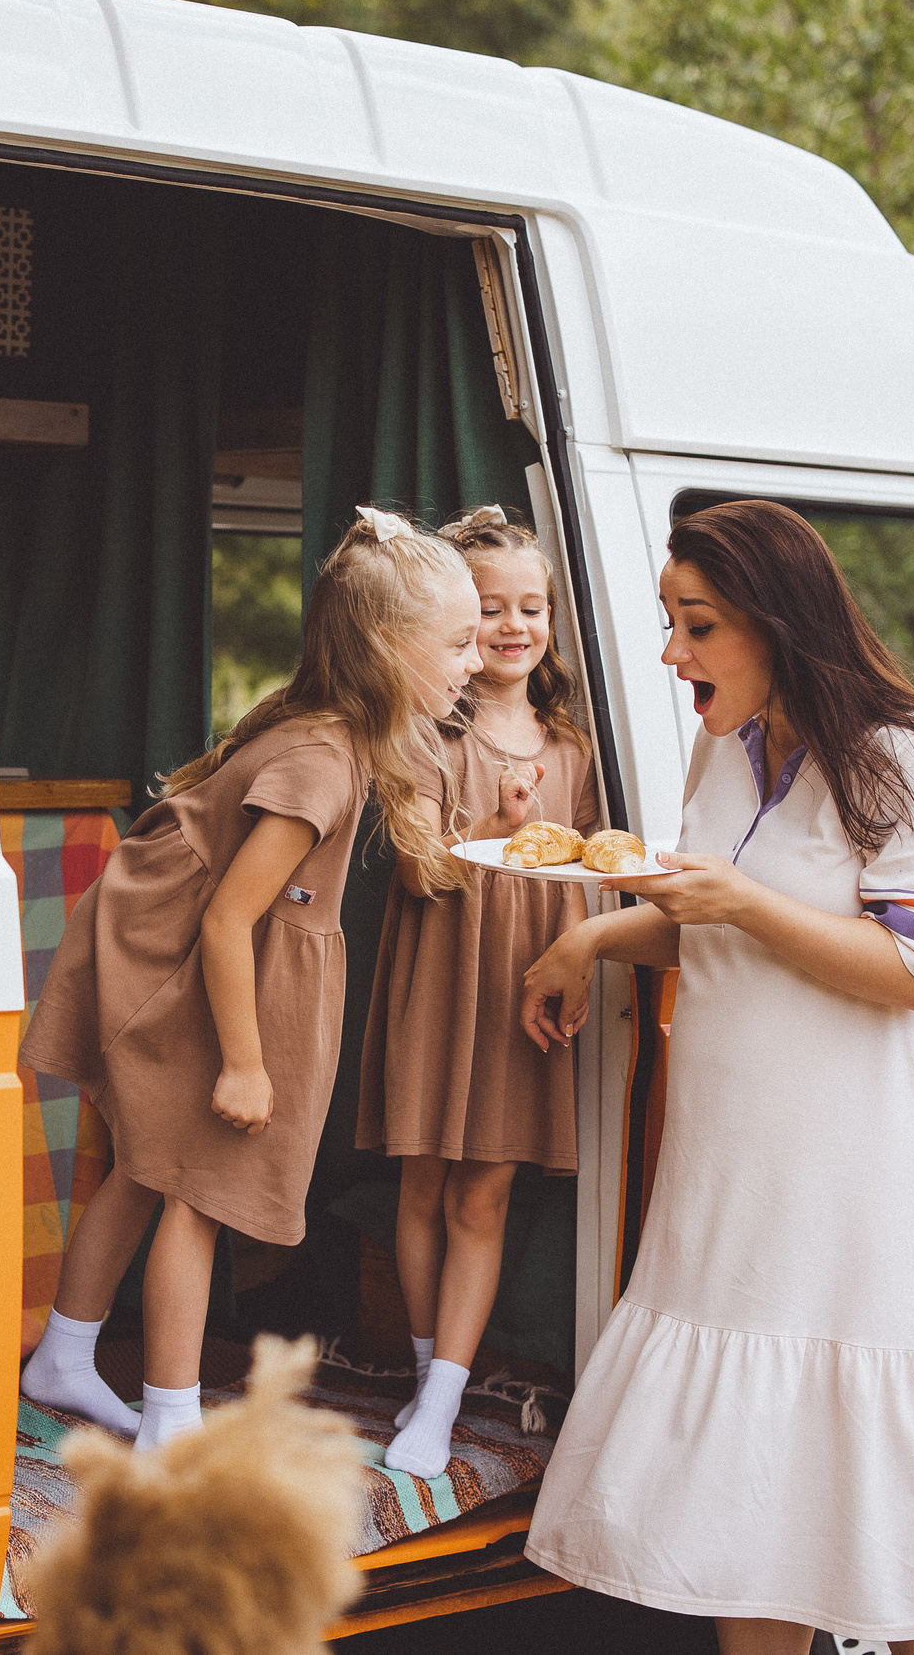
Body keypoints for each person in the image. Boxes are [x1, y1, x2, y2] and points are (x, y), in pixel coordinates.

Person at [520, 499, 914, 1653]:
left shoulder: (911, 760)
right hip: (740, 1183)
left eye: (694, 625)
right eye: (668, 621)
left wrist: (737, 901)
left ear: (778, 624)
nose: (670, 653)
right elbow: (714, 926)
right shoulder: (724, 749)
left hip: (864, 1192)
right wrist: (594, 937)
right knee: (759, 1516)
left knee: (907, 1534)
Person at [16, 508, 485, 1451]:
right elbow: (231, 918)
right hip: (184, 957)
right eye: (462, 641)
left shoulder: (347, 736)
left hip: (205, 951)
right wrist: (244, 1061)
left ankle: (66, 1355)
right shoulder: (321, 759)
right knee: (197, 1187)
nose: (477, 660)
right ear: (389, 647)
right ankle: (172, 1425)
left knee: (150, 1168)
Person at [358, 509, 599, 1478]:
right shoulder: (421, 736)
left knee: (484, 1194)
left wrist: (579, 959)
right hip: (441, 971)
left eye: (530, 607)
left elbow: (592, 872)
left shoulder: (577, 750)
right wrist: (491, 823)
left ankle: (445, 1399)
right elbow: (419, 880)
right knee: (421, 1184)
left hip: (523, 987)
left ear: (551, 624)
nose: (511, 626)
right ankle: (428, 1375)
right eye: (488, 609)